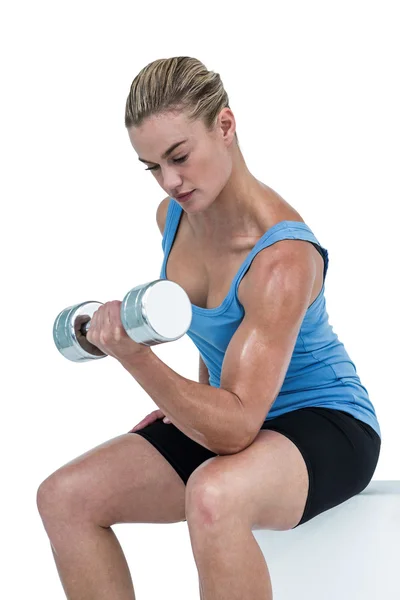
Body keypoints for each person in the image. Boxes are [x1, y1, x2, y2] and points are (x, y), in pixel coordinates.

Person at [37, 56, 381, 600]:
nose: (170, 181)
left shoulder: (282, 259)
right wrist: (187, 405)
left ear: (224, 126)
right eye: (152, 166)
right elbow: (221, 352)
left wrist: (137, 358)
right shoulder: (171, 218)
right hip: (237, 409)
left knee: (213, 496)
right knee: (65, 497)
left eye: (179, 156)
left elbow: (237, 429)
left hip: (325, 423)